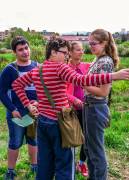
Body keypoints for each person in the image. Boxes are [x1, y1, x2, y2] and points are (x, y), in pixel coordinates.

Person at [12, 36, 129, 180]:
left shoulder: (38, 69)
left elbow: (17, 85)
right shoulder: (61, 68)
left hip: (43, 123)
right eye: (65, 53)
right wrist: (113, 76)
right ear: (54, 52)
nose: (67, 57)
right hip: (61, 123)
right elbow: (82, 80)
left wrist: (28, 105)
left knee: (44, 164)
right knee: (65, 166)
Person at [0, 36, 38, 180]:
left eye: (26, 48)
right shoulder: (9, 69)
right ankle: (11, 170)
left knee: (34, 140)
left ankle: (35, 166)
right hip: (18, 114)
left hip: (34, 113)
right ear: (14, 52)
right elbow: (1, 92)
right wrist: (12, 110)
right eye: (20, 50)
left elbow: (44, 89)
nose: (25, 52)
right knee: (15, 141)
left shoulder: (37, 67)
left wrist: (38, 103)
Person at [82, 29, 119, 180]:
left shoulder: (105, 61)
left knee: (96, 151)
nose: (90, 47)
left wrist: (82, 84)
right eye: (89, 43)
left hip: (95, 108)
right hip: (90, 107)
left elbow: (103, 92)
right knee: (89, 148)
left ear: (104, 44)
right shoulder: (98, 58)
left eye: (93, 44)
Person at [66, 41, 90, 178]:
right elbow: (60, 91)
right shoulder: (65, 69)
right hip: (69, 109)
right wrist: (72, 99)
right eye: (78, 50)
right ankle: (69, 165)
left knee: (86, 137)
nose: (81, 52)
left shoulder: (86, 67)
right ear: (70, 53)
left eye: (82, 50)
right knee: (70, 139)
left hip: (84, 108)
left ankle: (81, 163)